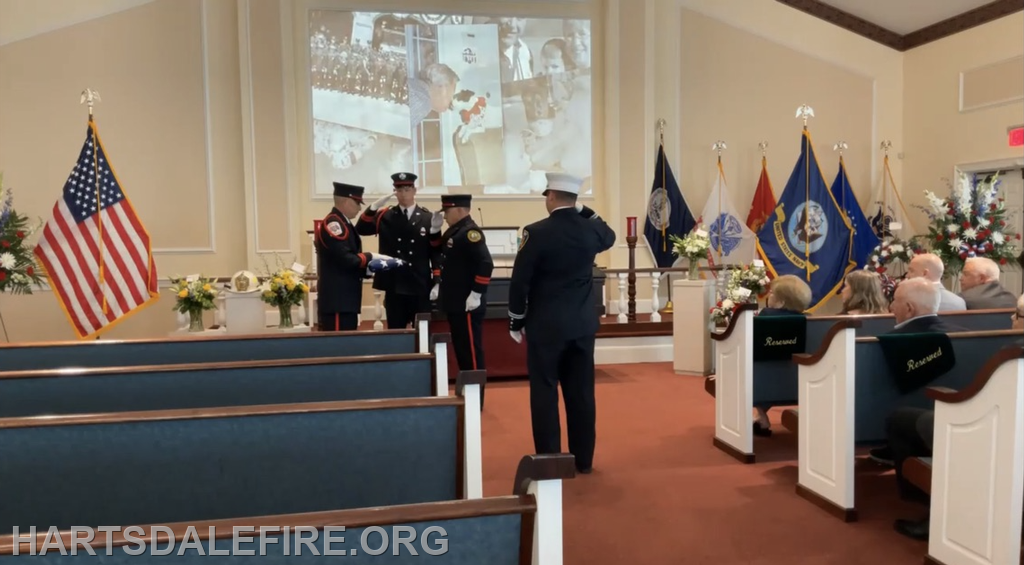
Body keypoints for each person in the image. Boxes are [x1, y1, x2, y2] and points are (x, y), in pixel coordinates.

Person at [507, 173, 616, 474]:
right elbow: (610, 235)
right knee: (581, 393)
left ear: (551, 196)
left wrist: (516, 320)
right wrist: (587, 212)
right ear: (575, 199)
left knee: (544, 392)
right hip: (582, 325)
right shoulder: (590, 231)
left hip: (546, 327)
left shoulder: (536, 232)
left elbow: (520, 282)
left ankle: (550, 460)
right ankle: (583, 460)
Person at [868, 278, 967, 474]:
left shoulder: (887, 343)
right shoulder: (966, 335)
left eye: (894, 300)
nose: (890, 307)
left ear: (909, 308)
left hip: (903, 418)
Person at [355, 172, 441, 329]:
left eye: (407, 190)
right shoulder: (385, 216)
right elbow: (361, 228)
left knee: (422, 333)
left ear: (414, 191)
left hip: (419, 284)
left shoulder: (427, 218)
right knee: (396, 331)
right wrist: (373, 208)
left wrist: (437, 281)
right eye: (399, 190)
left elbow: (435, 251)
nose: (403, 194)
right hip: (395, 283)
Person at [431, 194, 493, 407]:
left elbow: (486, 263)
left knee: (471, 351)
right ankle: (469, 391)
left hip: (467, 303)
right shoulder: (455, 231)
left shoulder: (470, 233)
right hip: (456, 302)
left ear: (459, 209)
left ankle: (476, 397)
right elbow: (439, 250)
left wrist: (477, 293)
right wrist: (433, 231)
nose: (445, 216)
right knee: (462, 349)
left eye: (447, 212)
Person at [315, 182, 390, 331]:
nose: (359, 208)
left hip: (345, 301)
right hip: (338, 301)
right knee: (338, 347)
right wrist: (370, 257)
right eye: (357, 203)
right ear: (346, 201)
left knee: (346, 344)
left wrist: (369, 268)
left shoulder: (344, 222)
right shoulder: (334, 223)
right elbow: (345, 258)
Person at [753, 274, 812, 436]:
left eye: (771, 293)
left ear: (781, 302)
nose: (768, 295)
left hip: (760, 385)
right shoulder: (811, 322)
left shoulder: (764, 319)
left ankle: (761, 417)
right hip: (799, 386)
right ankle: (760, 417)